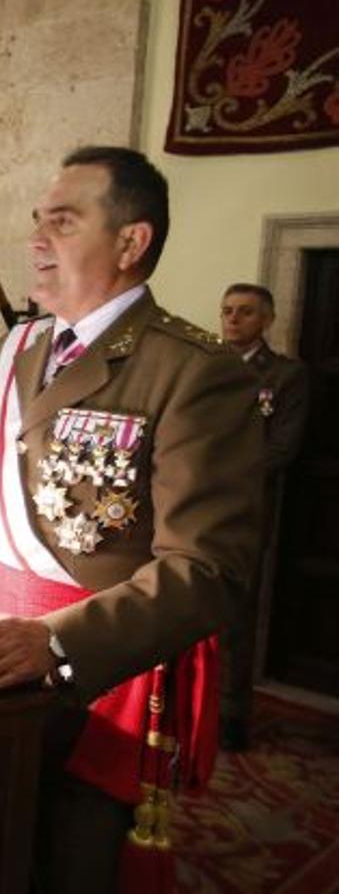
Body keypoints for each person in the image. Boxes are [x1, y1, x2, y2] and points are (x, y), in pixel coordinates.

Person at [0, 147, 262, 892]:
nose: (35, 240)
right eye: (37, 221)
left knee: (69, 859)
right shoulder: (15, 349)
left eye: (62, 222)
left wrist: (55, 644)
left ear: (131, 243)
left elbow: (204, 571)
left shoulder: (194, 370)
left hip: (93, 672)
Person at [217, 282, 309, 751]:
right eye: (228, 311)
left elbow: (280, 449)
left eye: (245, 313)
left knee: (236, 619)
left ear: (267, 320)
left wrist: (209, 473)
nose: (233, 320)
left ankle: (230, 716)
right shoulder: (204, 365)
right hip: (188, 509)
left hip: (246, 512)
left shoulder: (285, 377)